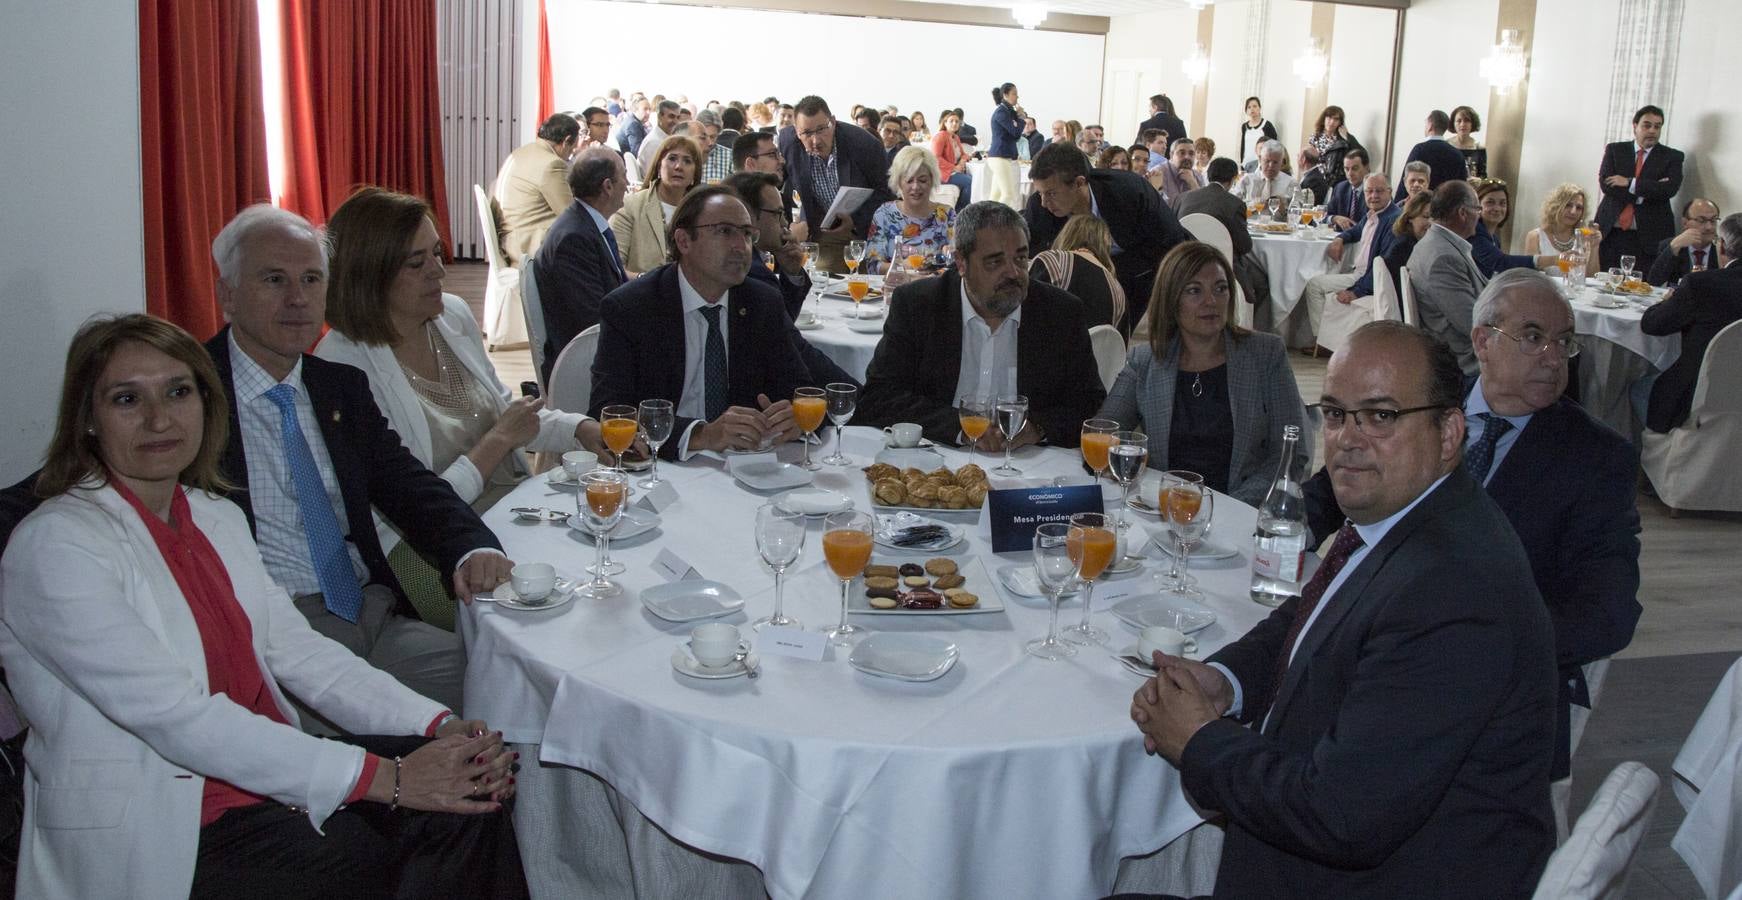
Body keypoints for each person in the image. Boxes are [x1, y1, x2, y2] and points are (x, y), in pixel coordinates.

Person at [0, 314, 526, 899]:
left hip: (257, 781)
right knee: (353, 857)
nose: (158, 419)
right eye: (127, 399)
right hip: (163, 818)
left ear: (207, 404)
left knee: (475, 788)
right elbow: (176, 716)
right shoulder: (55, 546)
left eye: (178, 392)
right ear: (88, 420)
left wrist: (438, 726)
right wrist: (394, 780)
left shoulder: (214, 516)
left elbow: (298, 651)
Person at [1128, 319, 1557, 898]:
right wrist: (1226, 680)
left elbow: (1339, 817)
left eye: (1380, 416)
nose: (1348, 438)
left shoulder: (1454, 593)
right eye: (1334, 413)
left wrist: (1200, 741)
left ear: (1449, 433)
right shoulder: (1412, 520)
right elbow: (1313, 612)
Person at [1305, 270, 1642, 811]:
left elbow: (1608, 613)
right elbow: (1335, 481)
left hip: (1487, 700)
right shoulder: (1428, 401)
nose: (1554, 356)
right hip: (1367, 639)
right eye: (1533, 337)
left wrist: (1473, 641)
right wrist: (1287, 527)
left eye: (1564, 342)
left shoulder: (1596, 459)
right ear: (1483, 341)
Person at [203, 206, 508, 717]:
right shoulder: (192, 394)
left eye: (311, 279)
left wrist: (470, 547)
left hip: (370, 611)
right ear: (227, 295)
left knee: (508, 686)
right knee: (422, 733)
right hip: (272, 636)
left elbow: (406, 483)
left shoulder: (335, 387)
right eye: (274, 280)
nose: (297, 299)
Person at [314, 187, 608, 618]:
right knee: (563, 615)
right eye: (417, 263)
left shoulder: (450, 316)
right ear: (368, 274)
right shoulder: (343, 363)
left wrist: (580, 428)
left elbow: (508, 415)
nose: (439, 270)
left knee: (604, 575)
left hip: (512, 508)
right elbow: (407, 503)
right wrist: (495, 444)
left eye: (437, 252)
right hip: (424, 548)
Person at [858, 201, 1105, 448]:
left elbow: (1089, 404)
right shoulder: (919, 305)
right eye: (995, 262)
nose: (1013, 272)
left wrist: (1037, 428)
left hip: (1029, 466)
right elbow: (880, 397)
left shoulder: (1060, 312)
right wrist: (960, 428)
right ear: (961, 263)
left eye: (1020, 258)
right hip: (937, 457)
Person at [590, 187, 811, 458]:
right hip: (663, 469)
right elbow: (610, 412)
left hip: (745, 466)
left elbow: (801, 389)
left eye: (746, 233)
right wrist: (701, 434)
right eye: (724, 231)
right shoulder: (632, 308)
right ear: (683, 241)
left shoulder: (762, 303)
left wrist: (795, 417)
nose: (741, 246)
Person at [1097, 242, 1306, 503]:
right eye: (1194, 291)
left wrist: (1226, 507)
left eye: (1221, 288)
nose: (1211, 301)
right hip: (1167, 511)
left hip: (1243, 512)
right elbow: (1104, 431)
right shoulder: (1146, 361)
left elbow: (1291, 453)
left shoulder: (1266, 354)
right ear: (1171, 300)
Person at [1025, 142, 1192, 335]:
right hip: (1076, 278)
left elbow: (1170, 243)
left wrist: (1105, 273)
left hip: (1144, 269)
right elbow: (1032, 252)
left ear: (1079, 183)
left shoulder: (1130, 193)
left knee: (1117, 336)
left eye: (1051, 193)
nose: (1044, 202)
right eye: (1040, 193)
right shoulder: (1040, 206)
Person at [532, 147, 631, 383]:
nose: (627, 184)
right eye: (624, 176)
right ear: (607, 186)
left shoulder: (585, 223)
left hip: (593, 345)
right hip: (581, 362)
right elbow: (592, 317)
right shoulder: (574, 238)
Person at [1641, 212, 1742, 432]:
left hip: (1697, 395)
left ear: (1722, 246)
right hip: (1734, 395)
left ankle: (1648, 456)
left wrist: (1667, 301)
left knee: (1636, 387)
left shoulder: (1702, 285)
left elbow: (1652, 325)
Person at [781, 95, 897, 260]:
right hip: (818, 232)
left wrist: (854, 221)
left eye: (822, 129)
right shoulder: (788, 143)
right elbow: (774, 187)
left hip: (863, 231)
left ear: (833, 122)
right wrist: (786, 226)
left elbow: (886, 191)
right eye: (806, 133)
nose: (816, 140)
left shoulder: (864, 145)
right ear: (796, 131)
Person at [1301, 174, 1404, 353]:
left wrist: (1357, 292)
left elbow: (1383, 266)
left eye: (1379, 191)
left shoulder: (1393, 220)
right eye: (1369, 191)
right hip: (1360, 273)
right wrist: (1340, 239)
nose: (1373, 196)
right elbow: (1355, 231)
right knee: (1315, 284)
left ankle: (1324, 344)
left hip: (1369, 279)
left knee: (1315, 286)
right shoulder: (1373, 214)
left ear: (1390, 192)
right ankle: (1324, 340)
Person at [1410, 180, 1490, 374]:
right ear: (1463, 213)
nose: (1480, 216)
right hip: (1464, 360)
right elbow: (1470, 323)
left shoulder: (1435, 242)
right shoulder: (1444, 258)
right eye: (1478, 209)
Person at [1172, 157, 1269, 317]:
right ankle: (1245, 327)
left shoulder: (1182, 198)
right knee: (1262, 283)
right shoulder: (1234, 203)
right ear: (1232, 179)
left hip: (1184, 262)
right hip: (1222, 265)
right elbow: (1245, 246)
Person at [1595, 105, 1684, 273]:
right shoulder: (1615, 150)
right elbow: (1606, 185)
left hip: (1649, 236)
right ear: (1635, 126)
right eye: (1647, 125)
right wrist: (1649, 190)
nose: (1652, 130)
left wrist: (1630, 183)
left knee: (1641, 287)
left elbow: (1669, 189)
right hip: (1611, 232)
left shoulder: (1672, 157)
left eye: (1657, 126)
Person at [491, 113, 579, 265]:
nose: (570, 156)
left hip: (511, 238)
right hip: (530, 244)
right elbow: (569, 214)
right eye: (572, 149)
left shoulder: (521, 152)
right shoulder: (552, 164)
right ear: (566, 141)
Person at [610, 134, 702, 277]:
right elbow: (614, 266)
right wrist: (648, 282)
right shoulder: (630, 206)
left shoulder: (702, 213)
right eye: (672, 159)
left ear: (695, 174)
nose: (679, 166)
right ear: (659, 166)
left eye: (687, 161)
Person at [866, 145, 957, 277]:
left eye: (922, 180)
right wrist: (903, 267)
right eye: (909, 180)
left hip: (934, 289)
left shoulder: (946, 214)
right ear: (898, 182)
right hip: (895, 288)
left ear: (932, 181)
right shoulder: (884, 214)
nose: (915, 187)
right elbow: (873, 265)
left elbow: (958, 263)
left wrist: (950, 257)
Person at [1029, 214, 1126, 329]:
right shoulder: (1119, 293)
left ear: (1066, 235)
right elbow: (1119, 344)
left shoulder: (1051, 261)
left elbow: (1021, 314)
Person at [1472, 179, 1557, 277]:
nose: (1497, 208)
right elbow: (1501, 262)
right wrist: (1555, 260)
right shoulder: (1474, 231)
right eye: (1490, 202)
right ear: (1477, 205)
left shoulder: (1494, 238)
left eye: (1502, 203)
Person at [1522, 183, 1605, 277]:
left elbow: (1591, 278)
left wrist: (1595, 247)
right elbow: (1531, 276)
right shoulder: (1535, 236)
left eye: (1579, 208)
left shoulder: (1583, 238)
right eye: (1568, 205)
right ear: (1556, 207)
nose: (1573, 212)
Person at [1645, 198, 1722, 286]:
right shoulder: (1671, 245)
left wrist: (1721, 257)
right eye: (1701, 220)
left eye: (1713, 220)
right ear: (1685, 223)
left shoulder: (1724, 249)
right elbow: (1653, 282)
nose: (1709, 227)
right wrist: (1673, 247)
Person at [1380, 192, 1436, 313]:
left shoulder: (1421, 244)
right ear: (1410, 218)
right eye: (1426, 217)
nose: (1431, 223)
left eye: (1435, 217)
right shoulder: (1403, 249)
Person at [1399, 109, 1468, 193]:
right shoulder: (1457, 154)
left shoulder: (1420, 150)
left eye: (1426, 123)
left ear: (1430, 126)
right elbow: (1462, 188)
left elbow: (1407, 180)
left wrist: (1399, 203)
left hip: (1422, 203)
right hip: (1447, 203)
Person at [986, 82, 1025, 207]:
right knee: (1008, 194)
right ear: (1005, 95)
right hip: (999, 157)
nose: (1017, 97)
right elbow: (1016, 133)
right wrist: (1022, 118)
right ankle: (1000, 222)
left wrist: (1021, 115)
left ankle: (988, 219)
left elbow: (1018, 124)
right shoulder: (1001, 113)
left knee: (995, 195)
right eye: (1014, 94)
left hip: (1002, 157)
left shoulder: (1008, 111)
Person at [1307, 105, 1362, 191]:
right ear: (1324, 119)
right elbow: (1310, 160)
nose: (1332, 122)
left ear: (1340, 123)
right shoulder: (1315, 137)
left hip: (1336, 181)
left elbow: (1360, 154)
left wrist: (1347, 137)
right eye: (1329, 118)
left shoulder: (1343, 139)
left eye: (1336, 119)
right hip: (1317, 180)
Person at [928, 108, 974, 211]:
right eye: (951, 121)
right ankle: (960, 211)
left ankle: (963, 209)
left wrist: (962, 160)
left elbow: (964, 154)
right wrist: (954, 167)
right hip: (942, 173)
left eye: (957, 121)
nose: (954, 123)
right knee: (969, 181)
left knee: (971, 178)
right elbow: (936, 158)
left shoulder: (955, 137)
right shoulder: (940, 136)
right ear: (945, 123)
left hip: (952, 171)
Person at [1236, 140, 1297, 204]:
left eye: (1275, 162)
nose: (1271, 165)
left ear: (1282, 162)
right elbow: (1232, 205)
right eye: (1267, 161)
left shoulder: (1291, 184)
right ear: (1260, 159)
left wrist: (1284, 210)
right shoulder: (1247, 180)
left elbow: (1298, 210)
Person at [1324, 147, 1371, 229]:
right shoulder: (1340, 188)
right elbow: (1325, 215)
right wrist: (1335, 218)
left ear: (1366, 168)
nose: (1350, 173)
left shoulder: (1376, 190)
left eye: (1355, 168)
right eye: (1346, 169)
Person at [636, 99, 683, 180]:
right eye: (671, 116)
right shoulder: (654, 143)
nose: (675, 121)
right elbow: (653, 177)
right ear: (660, 116)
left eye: (678, 117)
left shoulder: (666, 138)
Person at [1156, 139, 1202, 205]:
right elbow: (1163, 206)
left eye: (1191, 154)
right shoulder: (1159, 172)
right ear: (1171, 155)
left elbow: (1203, 206)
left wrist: (1192, 183)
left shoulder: (1198, 175)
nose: (1187, 157)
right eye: (1182, 153)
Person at [692, 109, 733, 182]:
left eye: (713, 137)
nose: (710, 142)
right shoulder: (688, 154)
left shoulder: (729, 156)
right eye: (703, 137)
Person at [1237, 96, 1278, 169]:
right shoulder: (1244, 126)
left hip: (1262, 164)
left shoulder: (1267, 125)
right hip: (1246, 164)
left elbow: (1273, 146)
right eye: (1249, 107)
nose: (1252, 109)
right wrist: (1241, 163)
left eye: (1255, 106)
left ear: (1259, 108)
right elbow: (1243, 146)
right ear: (1246, 110)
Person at [1450, 105, 1487, 177]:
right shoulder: (1447, 145)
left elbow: (1483, 175)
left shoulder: (1479, 147)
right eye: (1459, 121)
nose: (1462, 124)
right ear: (1453, 123)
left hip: (1471, 187)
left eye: (1467, 120)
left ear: (1473, 123)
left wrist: (1479, 180)